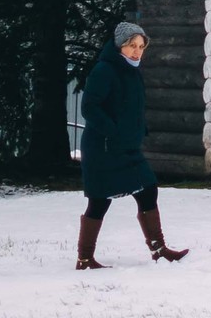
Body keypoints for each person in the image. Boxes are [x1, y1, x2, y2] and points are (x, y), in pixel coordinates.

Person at [76, 21, 186, 268]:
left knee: (148, 189)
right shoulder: (104, 70)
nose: (137, 51)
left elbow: (130, 108)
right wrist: (113, 131)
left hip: (127, 147)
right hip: (103, 148)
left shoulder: (132, 71)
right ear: (119, 46)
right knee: (99, 201)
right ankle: (84, 258)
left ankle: (159, 250)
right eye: (131, 46)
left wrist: (137, 129)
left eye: (140, 46)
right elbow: (89, 108)